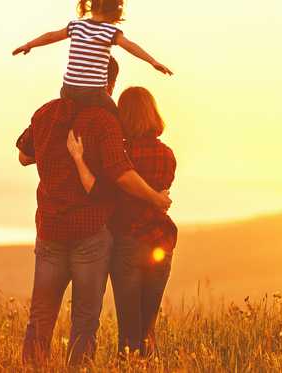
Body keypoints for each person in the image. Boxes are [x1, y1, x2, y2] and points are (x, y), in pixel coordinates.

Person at [16, 57, 171, 365]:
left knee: (41, 315)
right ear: (107, 82)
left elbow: (23, 156)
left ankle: (33, 368)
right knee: (85, 320)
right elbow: (120, 173)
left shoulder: (46, 112)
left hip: (50, 229)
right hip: (89, 234)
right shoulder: (104, 121)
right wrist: (155, 197)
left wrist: (56, 150)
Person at [66, 86, 177, 356]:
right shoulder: (167, 155)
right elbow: (162, 191)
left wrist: (79, 159)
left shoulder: (120, 156)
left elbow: (100, 190)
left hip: (127, 244)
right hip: (161, 243)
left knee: (129, 330)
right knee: (148, 327)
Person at [12, 0, 172, 113]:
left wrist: (29, 45)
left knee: (66, 109)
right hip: (93, 92)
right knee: (115, 117)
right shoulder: (110, 31)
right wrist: (152, 61)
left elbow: (50, 36)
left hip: (68, 89)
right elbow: (130, 46)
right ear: (114, 11)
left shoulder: (76, 26)